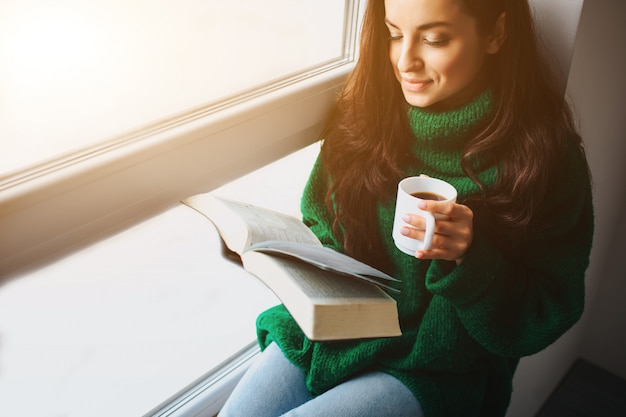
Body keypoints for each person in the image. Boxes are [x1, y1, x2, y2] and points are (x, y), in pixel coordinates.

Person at [218, 0, 594, 415]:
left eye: (434, 39)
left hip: (438, 364)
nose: (405, 61)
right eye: (394, 33)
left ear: (495, 35)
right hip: (335, 329)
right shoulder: (367, 113)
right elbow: (322, 218)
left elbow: (548, 309)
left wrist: (471, 257)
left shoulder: (543, 159)